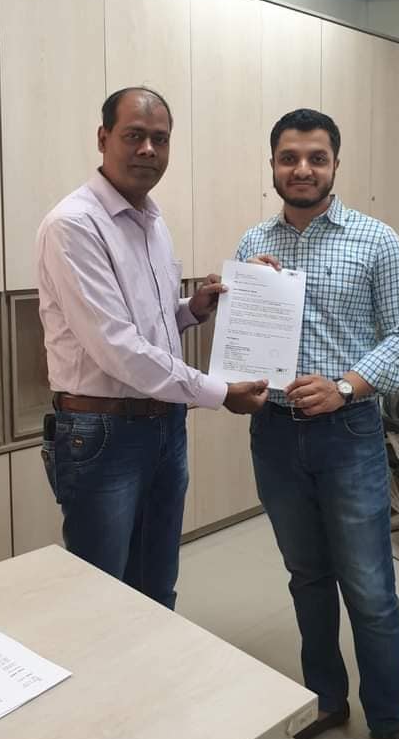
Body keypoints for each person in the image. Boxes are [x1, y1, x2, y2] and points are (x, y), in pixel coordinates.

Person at [236, 109, 399, 739]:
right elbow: (244, 342)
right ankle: (326, 698)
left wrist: (346, 386)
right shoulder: (253, 242)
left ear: (335, 165)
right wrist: (241, 302)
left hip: (348, 432)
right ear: (273, 165)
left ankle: (388, 718)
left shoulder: (376, 240)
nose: (302, 169)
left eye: (315, 158)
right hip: (274, 435)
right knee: (307, 577)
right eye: (289, 157)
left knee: (369, 586)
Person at [36, 87, 267, 609]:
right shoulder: (74, 225)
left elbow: (148, 322)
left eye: (159, 139)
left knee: (157, 587)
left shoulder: (153, 222)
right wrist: (219, 392)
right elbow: (118, 348)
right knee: (103, 596)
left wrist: (192, 309)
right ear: (103, 138)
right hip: (104, 434)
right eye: (134, 136)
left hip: (164, 426)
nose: (147, 150)